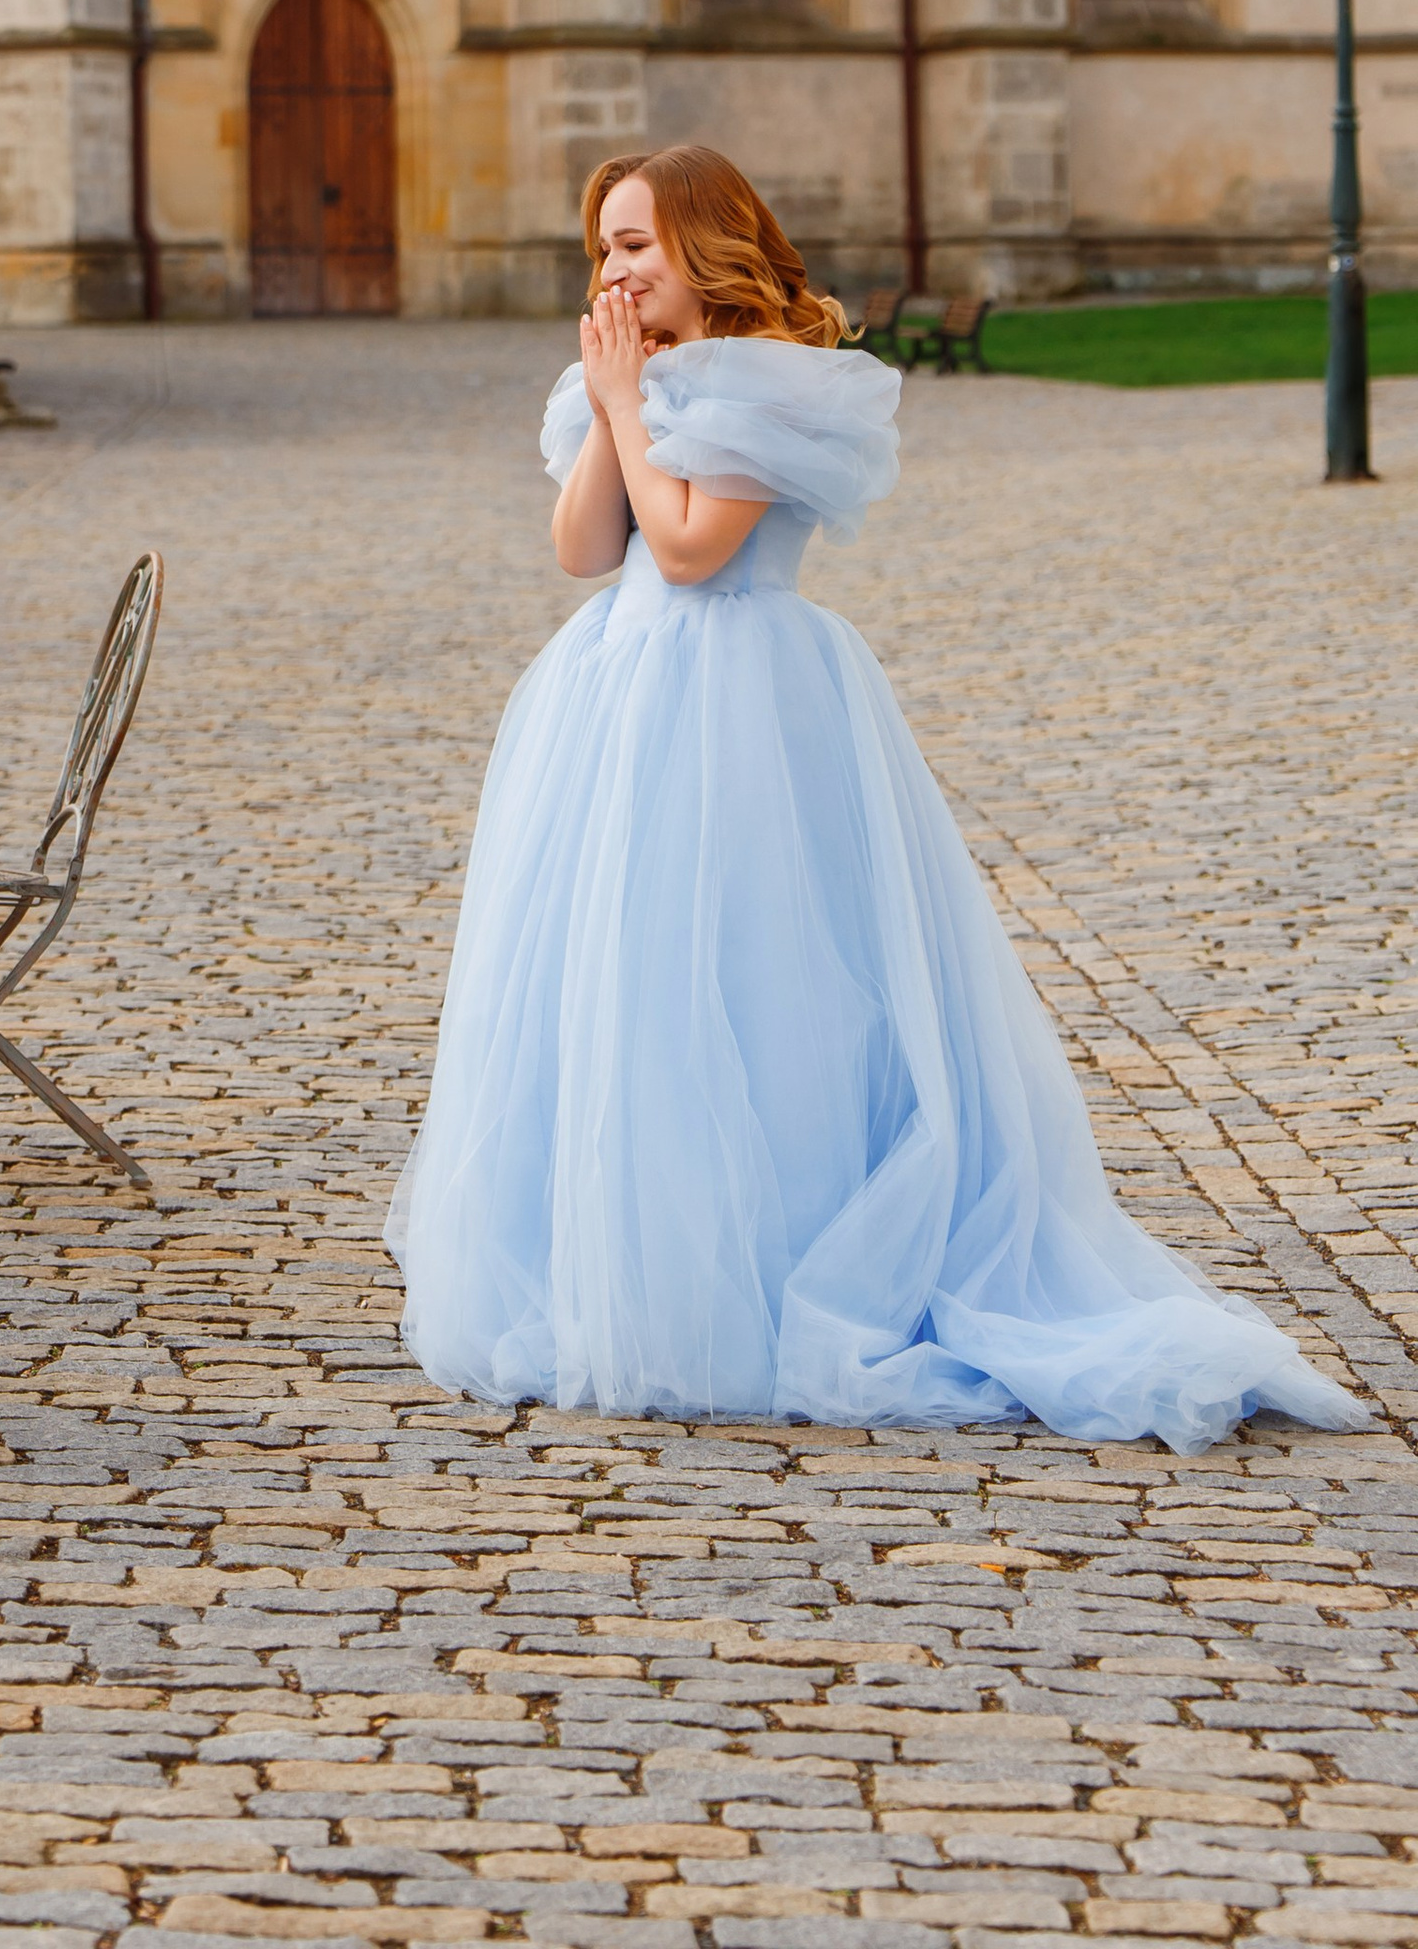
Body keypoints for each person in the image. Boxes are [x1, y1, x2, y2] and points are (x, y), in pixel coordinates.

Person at [387, 144, 1370, 1452]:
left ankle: (780, 1256)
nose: (614, 271)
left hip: (739, 698)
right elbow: (587, 549)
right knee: (626, 979)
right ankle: (627, 1254)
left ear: (705, 245)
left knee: (754, 976)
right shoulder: (637, 380)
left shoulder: (774, 388)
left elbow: (690, 551)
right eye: (602, 250)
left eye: (636, 244)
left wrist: (630, 405)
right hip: (621, 698)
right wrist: (618, 397)